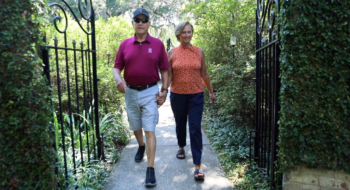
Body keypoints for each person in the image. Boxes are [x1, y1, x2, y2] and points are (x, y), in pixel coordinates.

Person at [112, 8, 169, 187]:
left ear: (149, 23)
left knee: (150, 128)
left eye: (144, 20)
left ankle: (150, 169)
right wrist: (118, 80)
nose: (141, 23)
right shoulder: (125, 44)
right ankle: (141, 145)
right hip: (130, 92)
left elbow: (165, 69)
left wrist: (164, 90)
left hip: (150, 92)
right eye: (138, 20)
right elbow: (116, 68)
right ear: (133, 23)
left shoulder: (158, 44)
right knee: (135, 126)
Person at [166, 21, 217, 180]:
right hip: (178, 94)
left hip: (196, 95)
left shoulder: (199, 52)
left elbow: (204, 73)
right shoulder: (172, 52)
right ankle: (181, 147)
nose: (187, 35)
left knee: (195, 128)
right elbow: (168, 75)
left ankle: (198, 165)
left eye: (189, 32)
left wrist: (211, 92)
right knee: (180, 123)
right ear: (178, 34)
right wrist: (163, 91)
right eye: (184, 32)